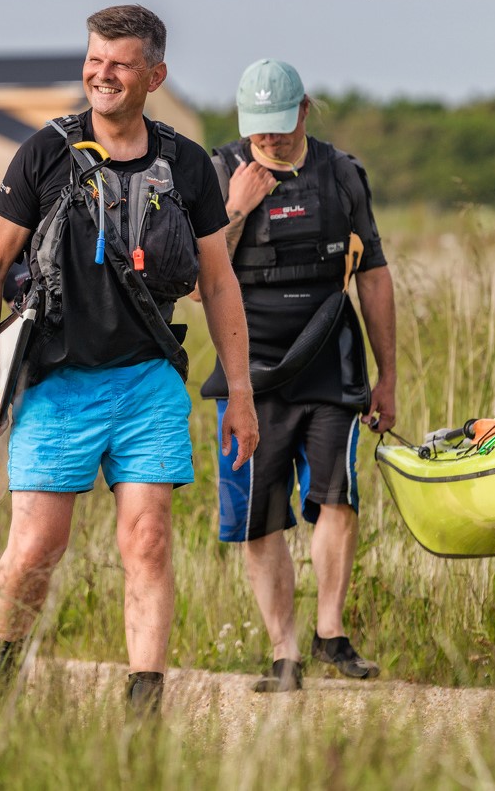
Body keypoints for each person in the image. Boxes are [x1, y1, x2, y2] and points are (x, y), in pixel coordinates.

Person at [0, 4, 259, 716]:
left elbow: (217, 281)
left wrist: (241, 391)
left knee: (149, 537)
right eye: (95, 59)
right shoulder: (43, 154)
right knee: (36, 547)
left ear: (153, 75)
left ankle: (144, 703)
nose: (102, 74)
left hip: (146, 377)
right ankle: (4, 666)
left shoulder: (184, 163)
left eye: (119, 63)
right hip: (56, 379)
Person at [205, 59, 399, 693]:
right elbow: (196, 275)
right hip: (248, 372)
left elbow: (372, 273)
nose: (271, 142)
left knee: (337, 496)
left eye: (282, 129)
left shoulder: (340, 173)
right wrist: (235, 209)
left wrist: (387, 374)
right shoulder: (217, 170)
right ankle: (283, 654)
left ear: (305, 111)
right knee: (261, 517)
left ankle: (331, 634)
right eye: (259, 131)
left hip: (331, 360)